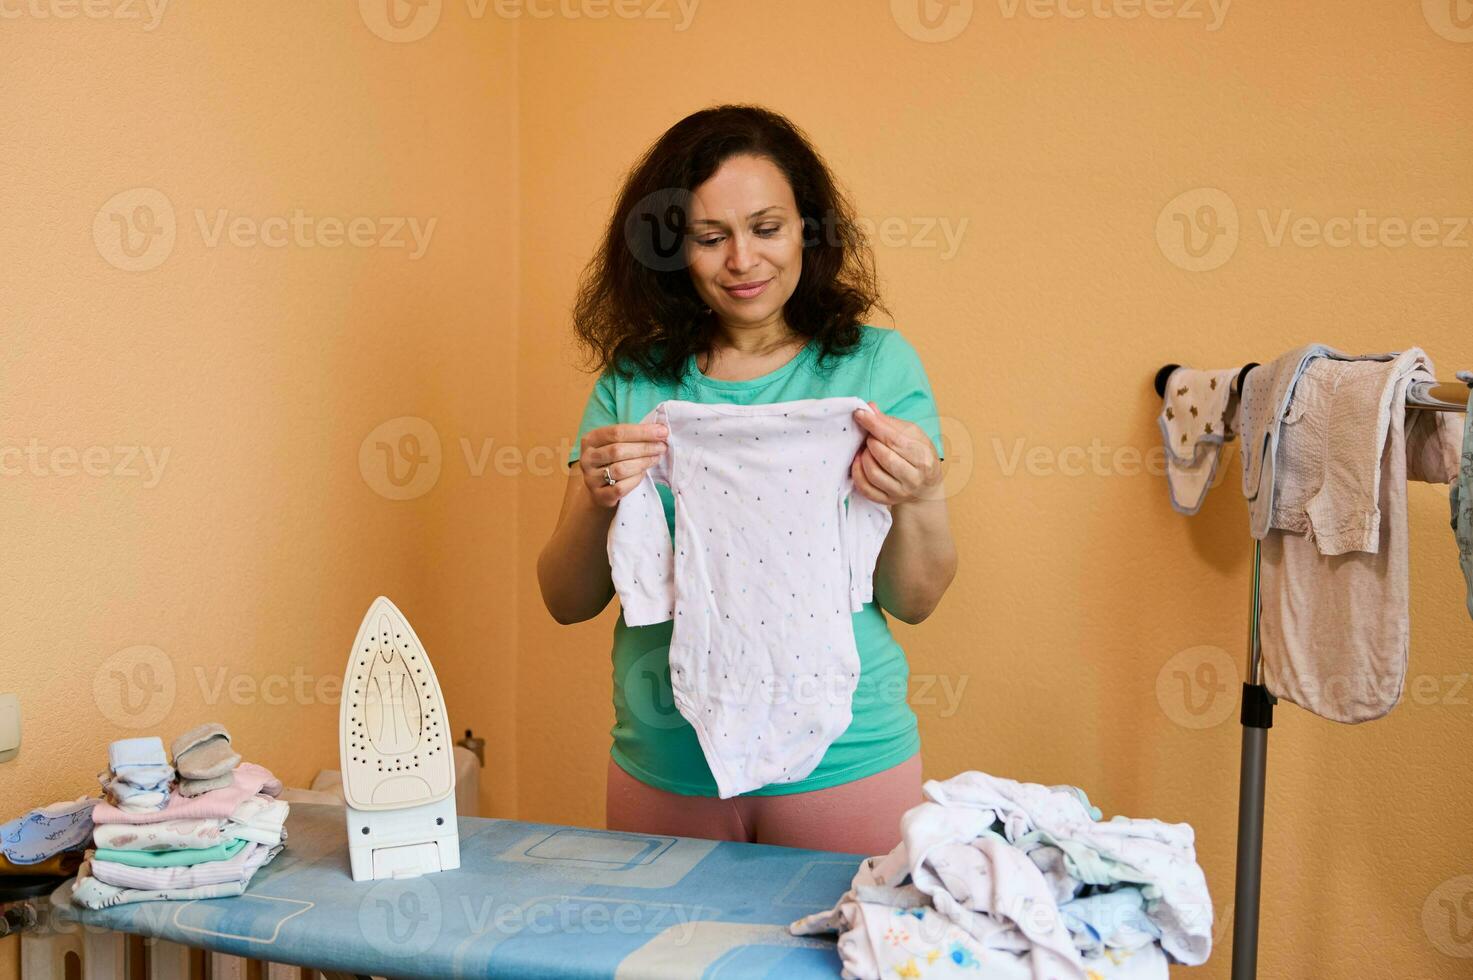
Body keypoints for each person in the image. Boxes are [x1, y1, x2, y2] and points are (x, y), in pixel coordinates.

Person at [537, 104, 957, 856]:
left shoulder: (872, 369)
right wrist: (593, 500)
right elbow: (566, 600)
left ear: (808, 230)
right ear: (672, 248)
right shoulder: (633, 384)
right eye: (710, 237)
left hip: (846, 757)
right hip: (664, 759)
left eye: (767, 228)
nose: (742, 260)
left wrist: (919, 495)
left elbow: (914, 601)